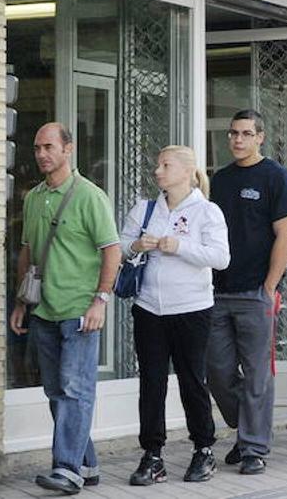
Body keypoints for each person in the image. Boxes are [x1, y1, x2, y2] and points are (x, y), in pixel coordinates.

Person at [8, 123, 120, 495]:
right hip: (44, 310)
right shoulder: (34, 197)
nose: (41, 154)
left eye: (49, 147)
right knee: (56, 391)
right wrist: (22, 302)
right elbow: (28, 251)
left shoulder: (90, 196)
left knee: (75, 389)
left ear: (68, 149)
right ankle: (86, 463)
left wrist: (100, 300)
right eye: (37, 148)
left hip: (80, 310)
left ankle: (67, 469)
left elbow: (112, 251)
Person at [123, 146, 229, 487]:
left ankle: (203, 449)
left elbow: (221, 257)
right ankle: (152, 455)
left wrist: (179, 247)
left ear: (186, 172)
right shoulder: (145, 209)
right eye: (157, 165)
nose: (157, 171)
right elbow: (121, 245)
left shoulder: (207, 211)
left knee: (191, 380)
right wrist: (137, 246)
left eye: (165, 165)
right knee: (151, 382)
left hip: (192, 309)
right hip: (149, 308)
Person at [206, 110, 287, 476]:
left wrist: (270, 287)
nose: (238, 139)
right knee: (217, 371)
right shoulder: (221, 180)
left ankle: (254, 449)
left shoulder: (276, 177)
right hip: (216, 292)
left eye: (246, 133)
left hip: (256, 292)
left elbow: (285, 235)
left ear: (260, 137)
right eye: (233, 133)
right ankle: (247, 430)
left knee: (258, 374)